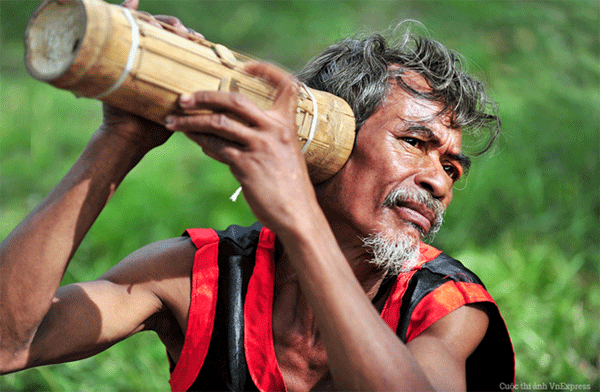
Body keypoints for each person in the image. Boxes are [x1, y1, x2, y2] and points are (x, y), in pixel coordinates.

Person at [0, 0, 514, 390]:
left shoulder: (444, 306)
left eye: (451, 166)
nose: (439, 181)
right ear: (323, 145)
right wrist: (118, 141)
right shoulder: (197, 278)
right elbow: (8, 343)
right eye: (414, 142)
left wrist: (300, 218)